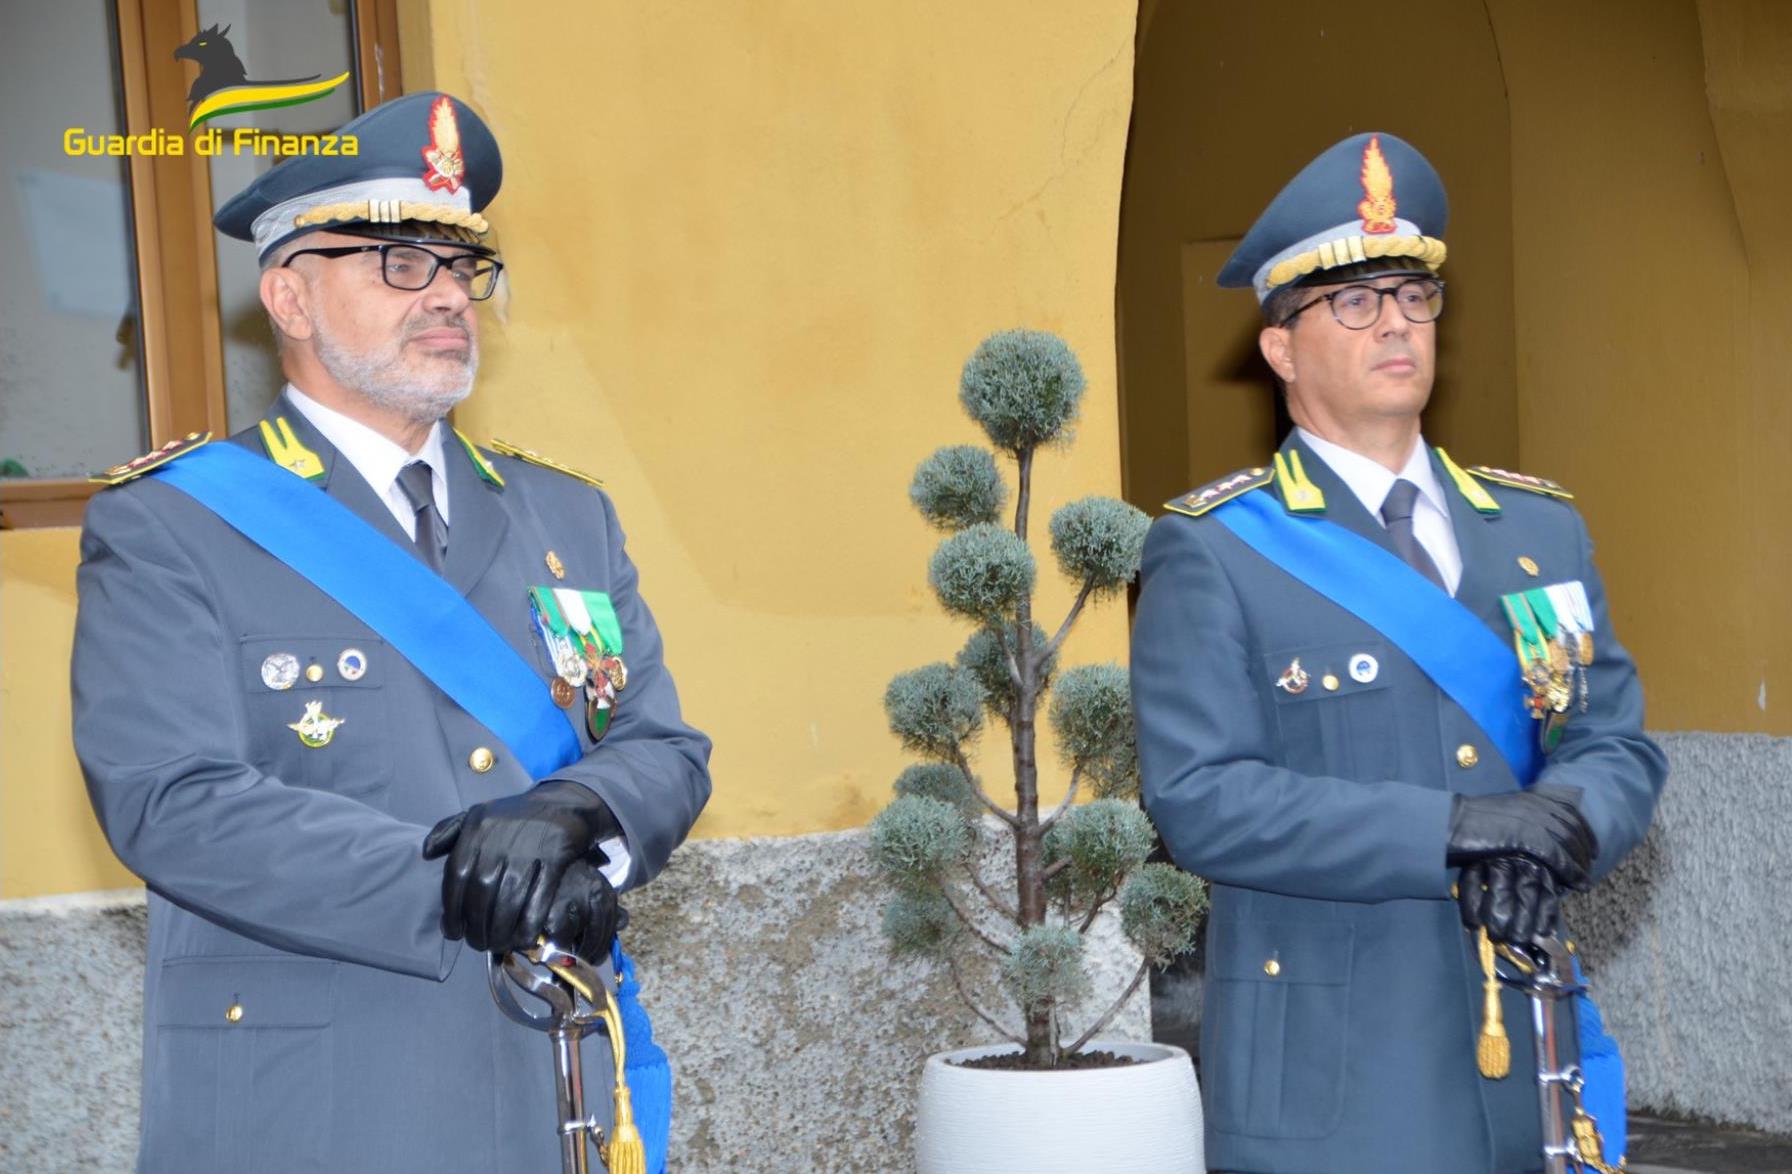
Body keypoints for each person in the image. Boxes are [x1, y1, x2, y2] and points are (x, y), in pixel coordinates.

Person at [72, 91, 711, 1173]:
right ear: (290, 296)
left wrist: (575, 810)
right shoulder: (174, 523)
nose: (448, 294)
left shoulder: (566, 515)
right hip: (321, 1103)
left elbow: (661, 747)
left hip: (548, 1082)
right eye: (401, 262)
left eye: (462, 266)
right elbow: (172, 800)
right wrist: (467, 871)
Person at [1130, 132, 1666, 1173]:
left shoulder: (1537, 531)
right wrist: (1456, 829)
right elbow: (1203, 798)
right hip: (1336, 1071)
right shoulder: (1217, 548)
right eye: (1353, 302)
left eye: (1414, 297)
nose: (1395, 324)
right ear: (1280, 349)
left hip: (1528, 1037)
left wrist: (1558, 829)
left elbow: (1609, 739)